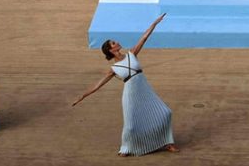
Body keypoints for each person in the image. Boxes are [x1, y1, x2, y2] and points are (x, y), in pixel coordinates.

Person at [73, 14, 177, 155]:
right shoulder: (113, 69)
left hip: (145, 90)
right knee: (131, 126)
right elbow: (98, 85)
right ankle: (127, 148)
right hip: (130, 95)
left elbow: (144, 37)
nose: (117, 42)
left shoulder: (131, 54)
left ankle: (167, 143)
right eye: (114, 43)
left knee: (165, 113)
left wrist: (155, 23)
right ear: (111, 50)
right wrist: (83, 96)